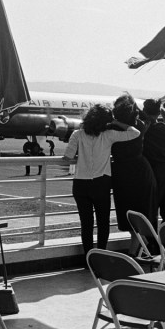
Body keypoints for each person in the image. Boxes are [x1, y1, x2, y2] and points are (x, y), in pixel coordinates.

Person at [63, 104, 140, 260]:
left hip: (80, 184)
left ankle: (88, 258)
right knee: (103, 223)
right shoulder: (109, 135)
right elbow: (135, 132)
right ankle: (101, 256)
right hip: (101, 183)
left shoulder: (77, 134)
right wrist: (116, 122)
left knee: (86, 224)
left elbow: (68, 156)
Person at [110, 93, 157, 231]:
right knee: (142, 212)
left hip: (121, 173)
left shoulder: (111, 129)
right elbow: (144, 117)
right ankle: (140, 248)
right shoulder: (140, 126)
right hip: (140, 171)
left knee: (126, 212)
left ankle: (135, 250)